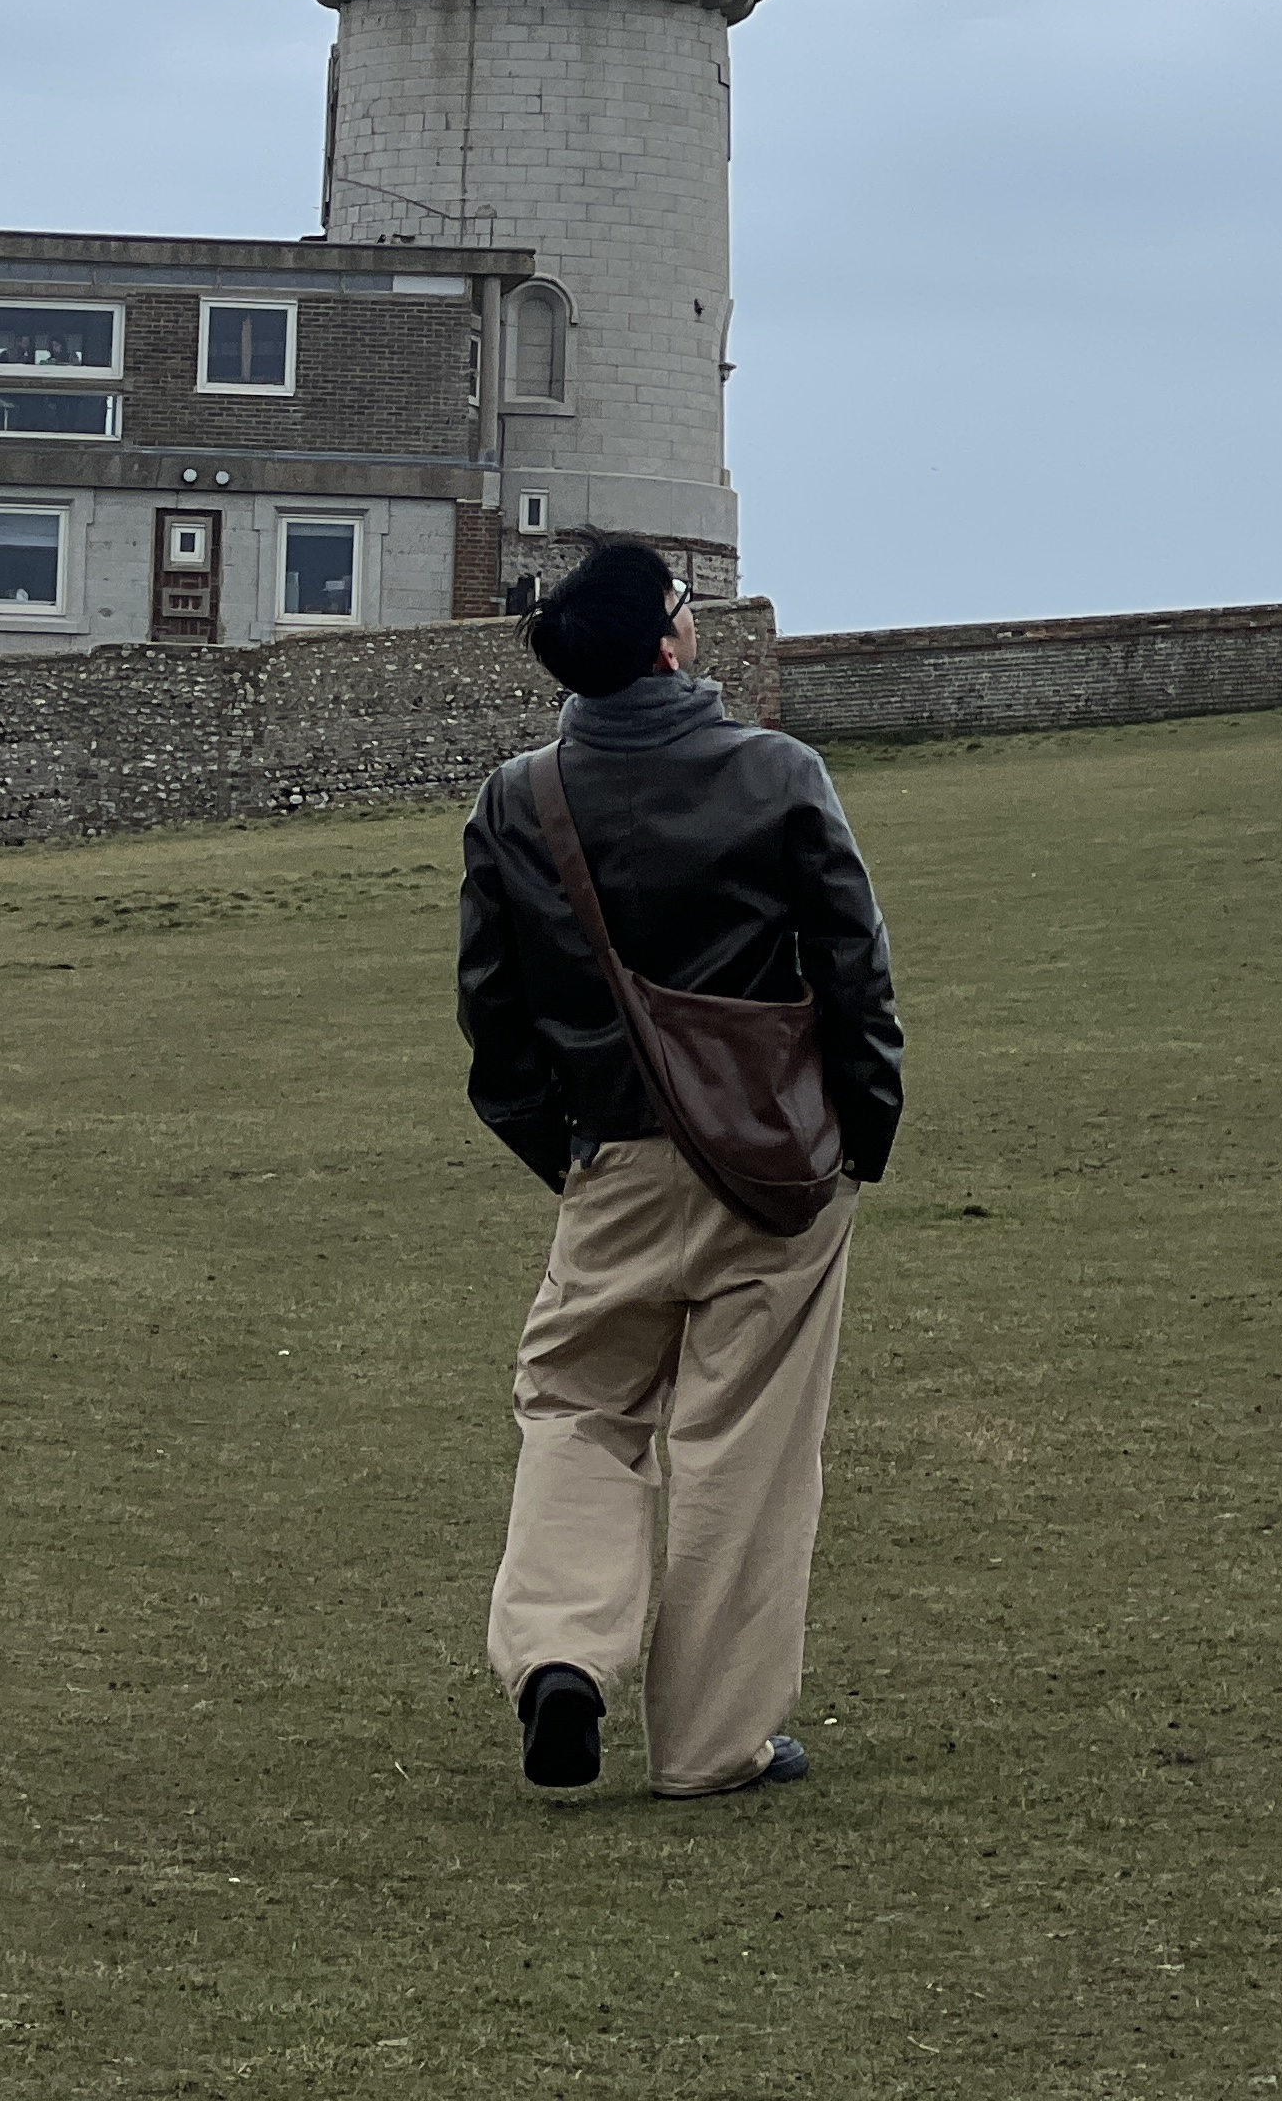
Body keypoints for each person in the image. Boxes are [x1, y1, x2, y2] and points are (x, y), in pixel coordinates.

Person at [458, 535, 904, 1797]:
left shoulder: (516, 799)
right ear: (666, 640)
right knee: (742, 1446)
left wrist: (568, 1150)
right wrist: (859, 1135)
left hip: (608, 1161)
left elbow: (491, 1019)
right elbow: (853, 973)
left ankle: (559, 1653)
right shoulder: (775, 774)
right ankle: (713, 1742)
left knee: (575, 1406)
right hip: (775, 1165)